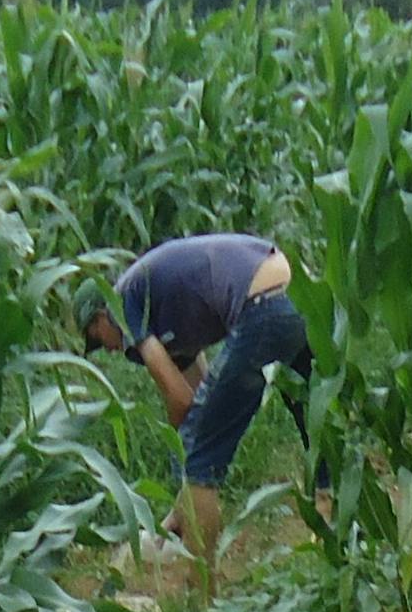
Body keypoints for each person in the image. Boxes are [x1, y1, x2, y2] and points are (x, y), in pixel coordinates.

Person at [79, 233, 314, 567]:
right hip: (299, 293)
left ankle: (200, 594)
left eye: (97, 340)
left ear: (101, 316)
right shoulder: (163, 308)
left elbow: (178, 401)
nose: (109, 350)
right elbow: (197, 397)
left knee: (199, 461)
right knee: (316, 418)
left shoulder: (123, 302)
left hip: (260, 305)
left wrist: (186, 472)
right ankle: (337, 527)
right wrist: (180, 502)